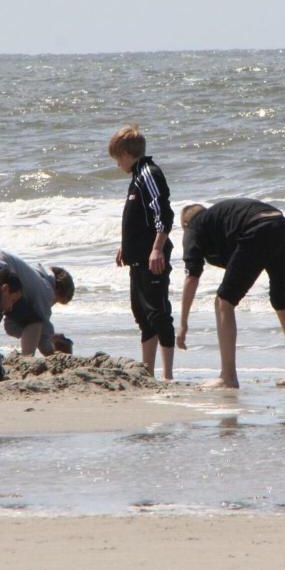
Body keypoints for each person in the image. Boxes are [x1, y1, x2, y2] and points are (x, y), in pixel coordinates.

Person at [176, 198, 285, 389]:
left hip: (258, 229)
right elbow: (256, 260)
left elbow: (192, 276)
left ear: (184, 225)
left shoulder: (194, 226)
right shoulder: (220, 222)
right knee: (281, 301)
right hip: (282, 226)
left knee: (223, 302)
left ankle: (228, 376)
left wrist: (183, 323)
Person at [108, 125, 180, 380]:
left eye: (117, 158)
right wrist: (125, 246)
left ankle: (168, 375)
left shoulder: (148, 173)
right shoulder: (137, 176)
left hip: (153, 258)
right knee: (141, 313)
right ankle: (148, 372)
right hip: (137, 258)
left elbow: (163, 213)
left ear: (127, 153)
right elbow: (140, 219)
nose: (117, 164)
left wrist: (157, 248)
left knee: (158, 312)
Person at [0, 248, 74, 356]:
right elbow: (39, 327)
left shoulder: (34, 276)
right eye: (56, 302)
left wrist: (48, 337)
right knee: (33, 321)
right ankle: (27, 360)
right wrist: (53, 351)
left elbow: (11, 327)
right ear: (57, 290)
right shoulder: (47, 291)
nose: (51, 305)